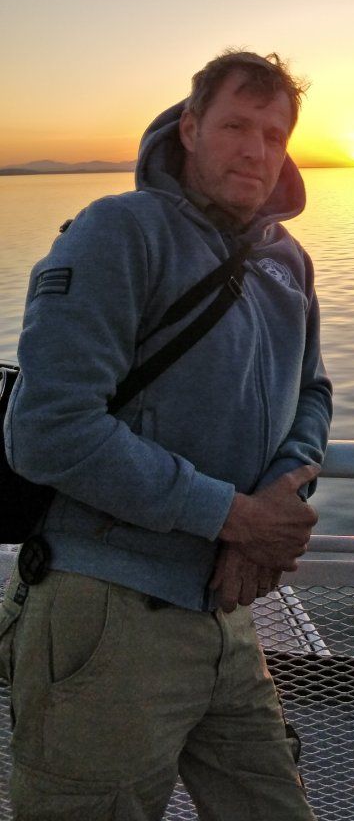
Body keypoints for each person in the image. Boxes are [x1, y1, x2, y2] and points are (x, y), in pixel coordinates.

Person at [0, 49, 332, 820]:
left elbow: (313, 393)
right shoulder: (119, 232)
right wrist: (232, 515)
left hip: (225, 609)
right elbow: (47, 429)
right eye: (236, 126)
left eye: (274, 135)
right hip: (106, 611)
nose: (256, 151)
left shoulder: (289, 262)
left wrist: (278, 498)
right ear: (189, 128)